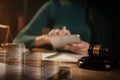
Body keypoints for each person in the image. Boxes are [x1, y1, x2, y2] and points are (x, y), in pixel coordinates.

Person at [13, 0, 113, 56]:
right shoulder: (53, 6)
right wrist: (48, 38)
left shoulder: (100, 7)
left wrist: (90, 49)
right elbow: (18, 40)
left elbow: (111, 49)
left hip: (91, 68)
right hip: (59, 67)